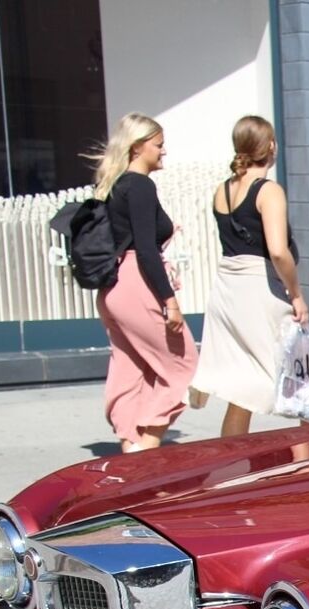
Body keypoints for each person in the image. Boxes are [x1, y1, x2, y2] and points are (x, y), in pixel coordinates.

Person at [190, 115, 309, 437]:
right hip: (260, 289)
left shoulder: (223, 191)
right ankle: (308, 462)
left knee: (240, 390)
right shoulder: (268, 191)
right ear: (271, 146)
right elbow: (278, 250)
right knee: (299, 378)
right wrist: (296, 294)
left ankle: (230, 467)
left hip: (228, 290)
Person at [89, 112, 196, 453]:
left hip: (113, 288)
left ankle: (129, 448)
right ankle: (145, 452)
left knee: (129, 370)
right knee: (183, 364)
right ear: (138, 147)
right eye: (159, 145)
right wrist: (170, 301)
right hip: (138, 282)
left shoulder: (115, 185)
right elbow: (147, 251)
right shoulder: (139, 185)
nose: (163, 152)